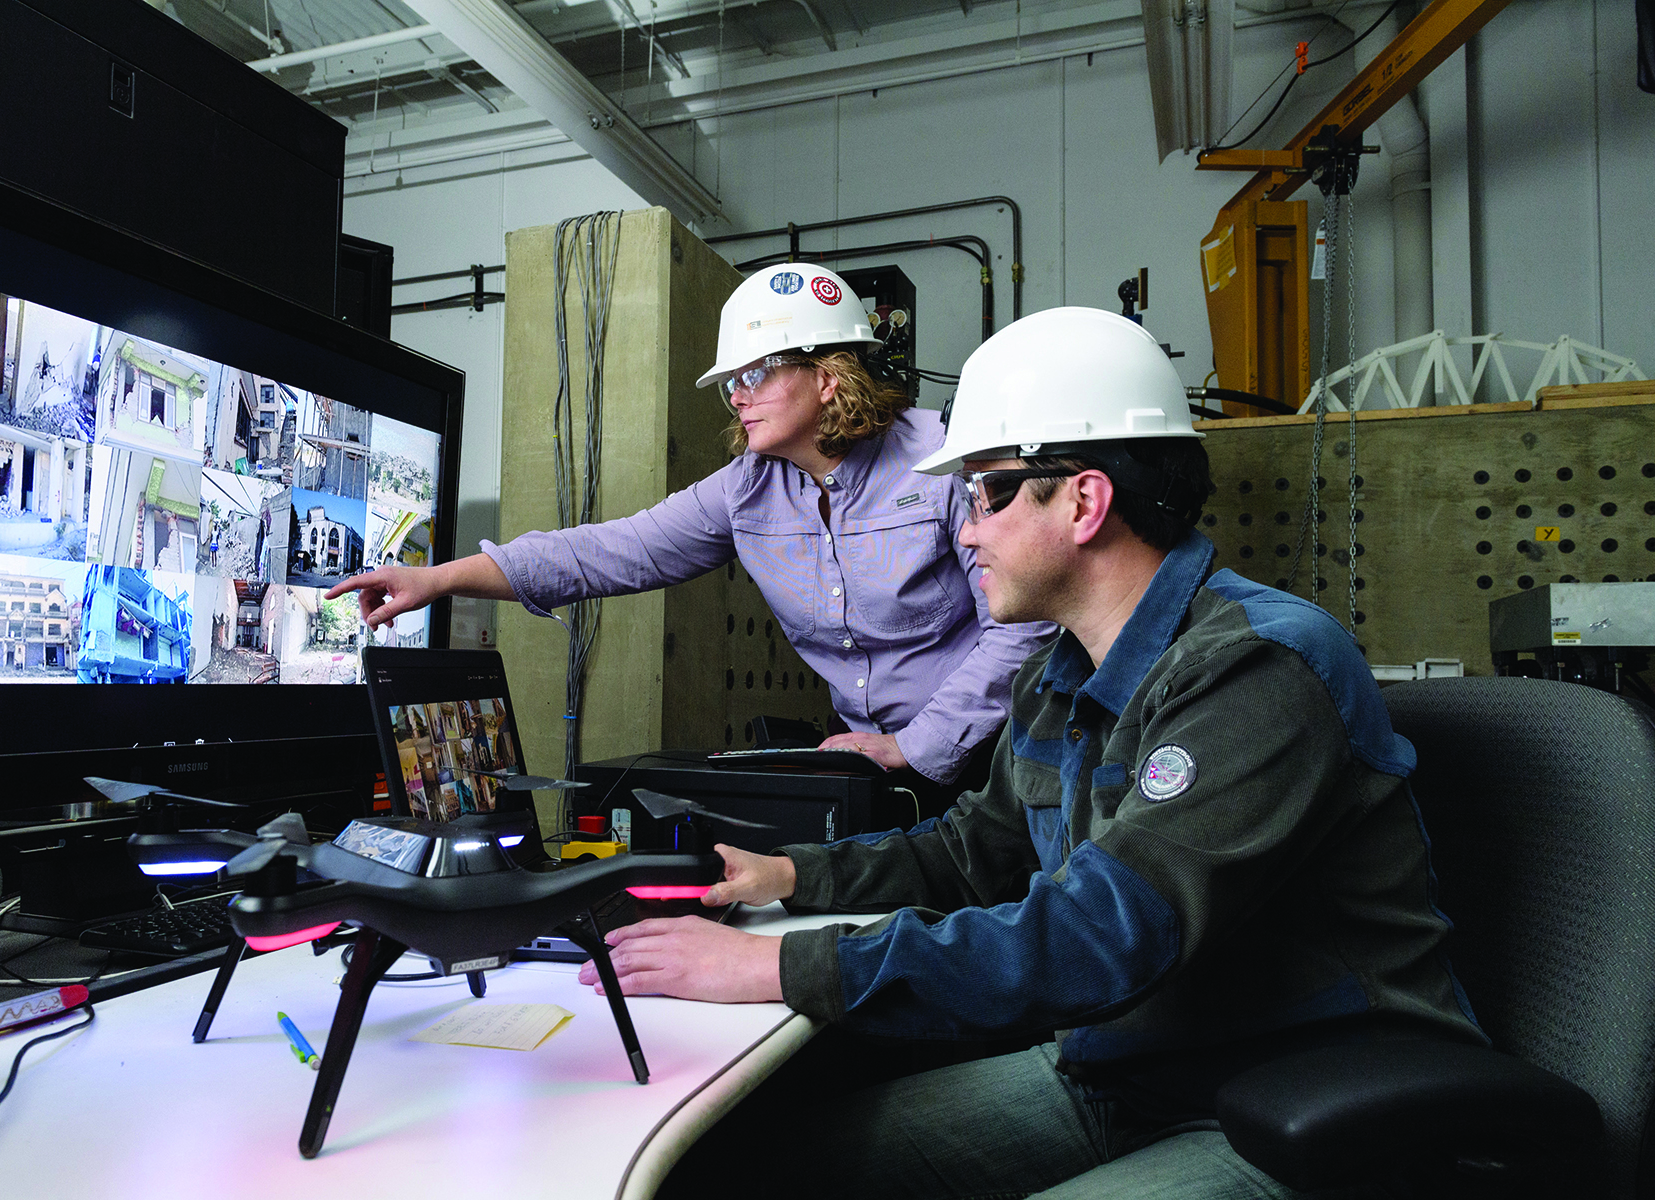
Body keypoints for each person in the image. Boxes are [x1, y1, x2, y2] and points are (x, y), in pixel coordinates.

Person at [578, 307, 1485, 1199]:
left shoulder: (1260, 666)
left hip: (1313, 1106)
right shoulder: (1061, 673)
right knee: (763, 1173)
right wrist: (788, 875)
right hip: (1133, 1071)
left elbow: (1101, 935)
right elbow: (973, 853)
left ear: (1084, 499)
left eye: (985, 492)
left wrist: (777, 968)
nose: (965, 529)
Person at [328, 263, 1055, 796]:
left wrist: (915, 746)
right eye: (730, 381)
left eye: (756, 374)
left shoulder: (949, 462)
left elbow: (1026, 628)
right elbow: (608, 552)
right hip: (869, 769)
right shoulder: (748, 491)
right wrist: (437, 578)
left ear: (829, 376)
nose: (736, 396)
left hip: (1000, 757)